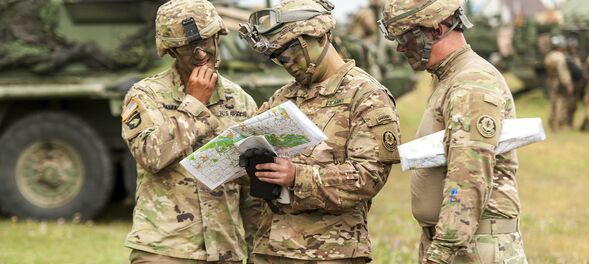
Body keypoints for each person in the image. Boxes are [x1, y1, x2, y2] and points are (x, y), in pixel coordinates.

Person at [238, 0, 401, 262]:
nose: (285, 61)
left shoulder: (366, 95)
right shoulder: (284, 97)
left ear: (322, 36)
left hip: (329, 252)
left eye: (291, 49)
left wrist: (297, 176)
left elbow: (369, 176)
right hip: (270, 249)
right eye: (277, 55)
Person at [379, 0, 527, 263]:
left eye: (406, 37)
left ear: (437, 28)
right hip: (462, 244)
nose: (400, 47)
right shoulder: (449, 77)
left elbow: (468, 179)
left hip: (471, 247)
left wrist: (441, 253)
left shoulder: (470, 83)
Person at [120, 0, 259, 263]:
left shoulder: (240, 100)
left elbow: (252, 190)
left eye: (206, 41)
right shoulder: (145, 95)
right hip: (165, 249)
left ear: (218, 36)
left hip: (225, 250)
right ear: (171, 50)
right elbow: (151, 155)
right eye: (188, 47)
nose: (200, 54)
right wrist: (194, 104)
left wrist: (256, 253)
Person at [544, 35, 574, 131]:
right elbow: (563, 72)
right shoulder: (560, 57)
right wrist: (568, 84)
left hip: (551, 81)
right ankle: (559, 123)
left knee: (553, 102)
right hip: (559, 82)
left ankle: (551, 121)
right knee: (560, 102)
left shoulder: (549, 56)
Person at [565, 38, 585, 128]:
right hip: (571, 84)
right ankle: (566, 123)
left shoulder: (576, 57)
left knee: (574, 106)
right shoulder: (566, 59)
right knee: (569, 105)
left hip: (577, 84)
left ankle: (570, 122)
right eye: (572, 48)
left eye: (575, 48)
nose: (574, 49)